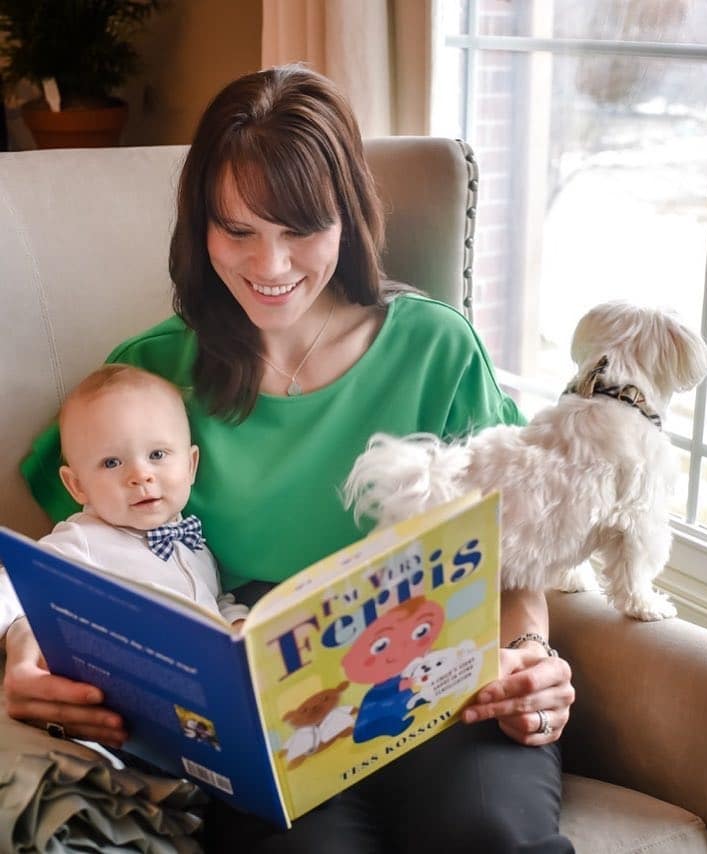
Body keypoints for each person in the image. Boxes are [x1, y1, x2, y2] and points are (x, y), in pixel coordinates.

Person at [4, 64, 575, 852]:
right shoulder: (150, 377)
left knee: (489, 834)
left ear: (349, 217)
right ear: (199, 228)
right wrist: (24, 651)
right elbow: (72, 561)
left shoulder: (436, 348)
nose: (269, 269)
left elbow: (512, 557)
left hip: (441, 684)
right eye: (237, 230)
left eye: (299, 230)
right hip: (268, 725)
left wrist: (531, 654)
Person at [41, 364, 246, 626]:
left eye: (157, 455)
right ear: (77, 486)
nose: (140, 475)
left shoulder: (195, 544)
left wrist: (237, 622)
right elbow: (17, 583)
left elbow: (213, 602)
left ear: (190, 465)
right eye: (112, 462)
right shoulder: (83, 540)